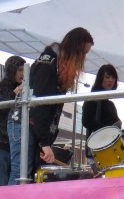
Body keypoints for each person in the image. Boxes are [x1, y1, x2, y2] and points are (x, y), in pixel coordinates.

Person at [8, 27, 93, 184]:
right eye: (82, 53)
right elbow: (39, 105)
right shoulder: (49, 65)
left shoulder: (54, 64)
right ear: (74, 50)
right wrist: (45, 143)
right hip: (25, 121)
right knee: (20, 172)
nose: (83, 59)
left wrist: (44, 140)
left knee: (26, 172)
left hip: (30, 122)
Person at [0, 55, 25, 186]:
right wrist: (14, 94)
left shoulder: (24, 89)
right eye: (19, 70)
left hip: (14, 140)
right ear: (11, 70)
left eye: (24, 70)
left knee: (14, 179)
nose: (22, 74)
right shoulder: (0, 86)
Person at [82, 64, 122, 138]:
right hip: (98, 142)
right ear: (100, 79)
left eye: (113, 77)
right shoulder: (92, 99)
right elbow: (86, 121)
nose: (111, 80)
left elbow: (117, 128)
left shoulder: (110, 104)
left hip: (109, 141)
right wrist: (106, 131)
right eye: (107, 77)